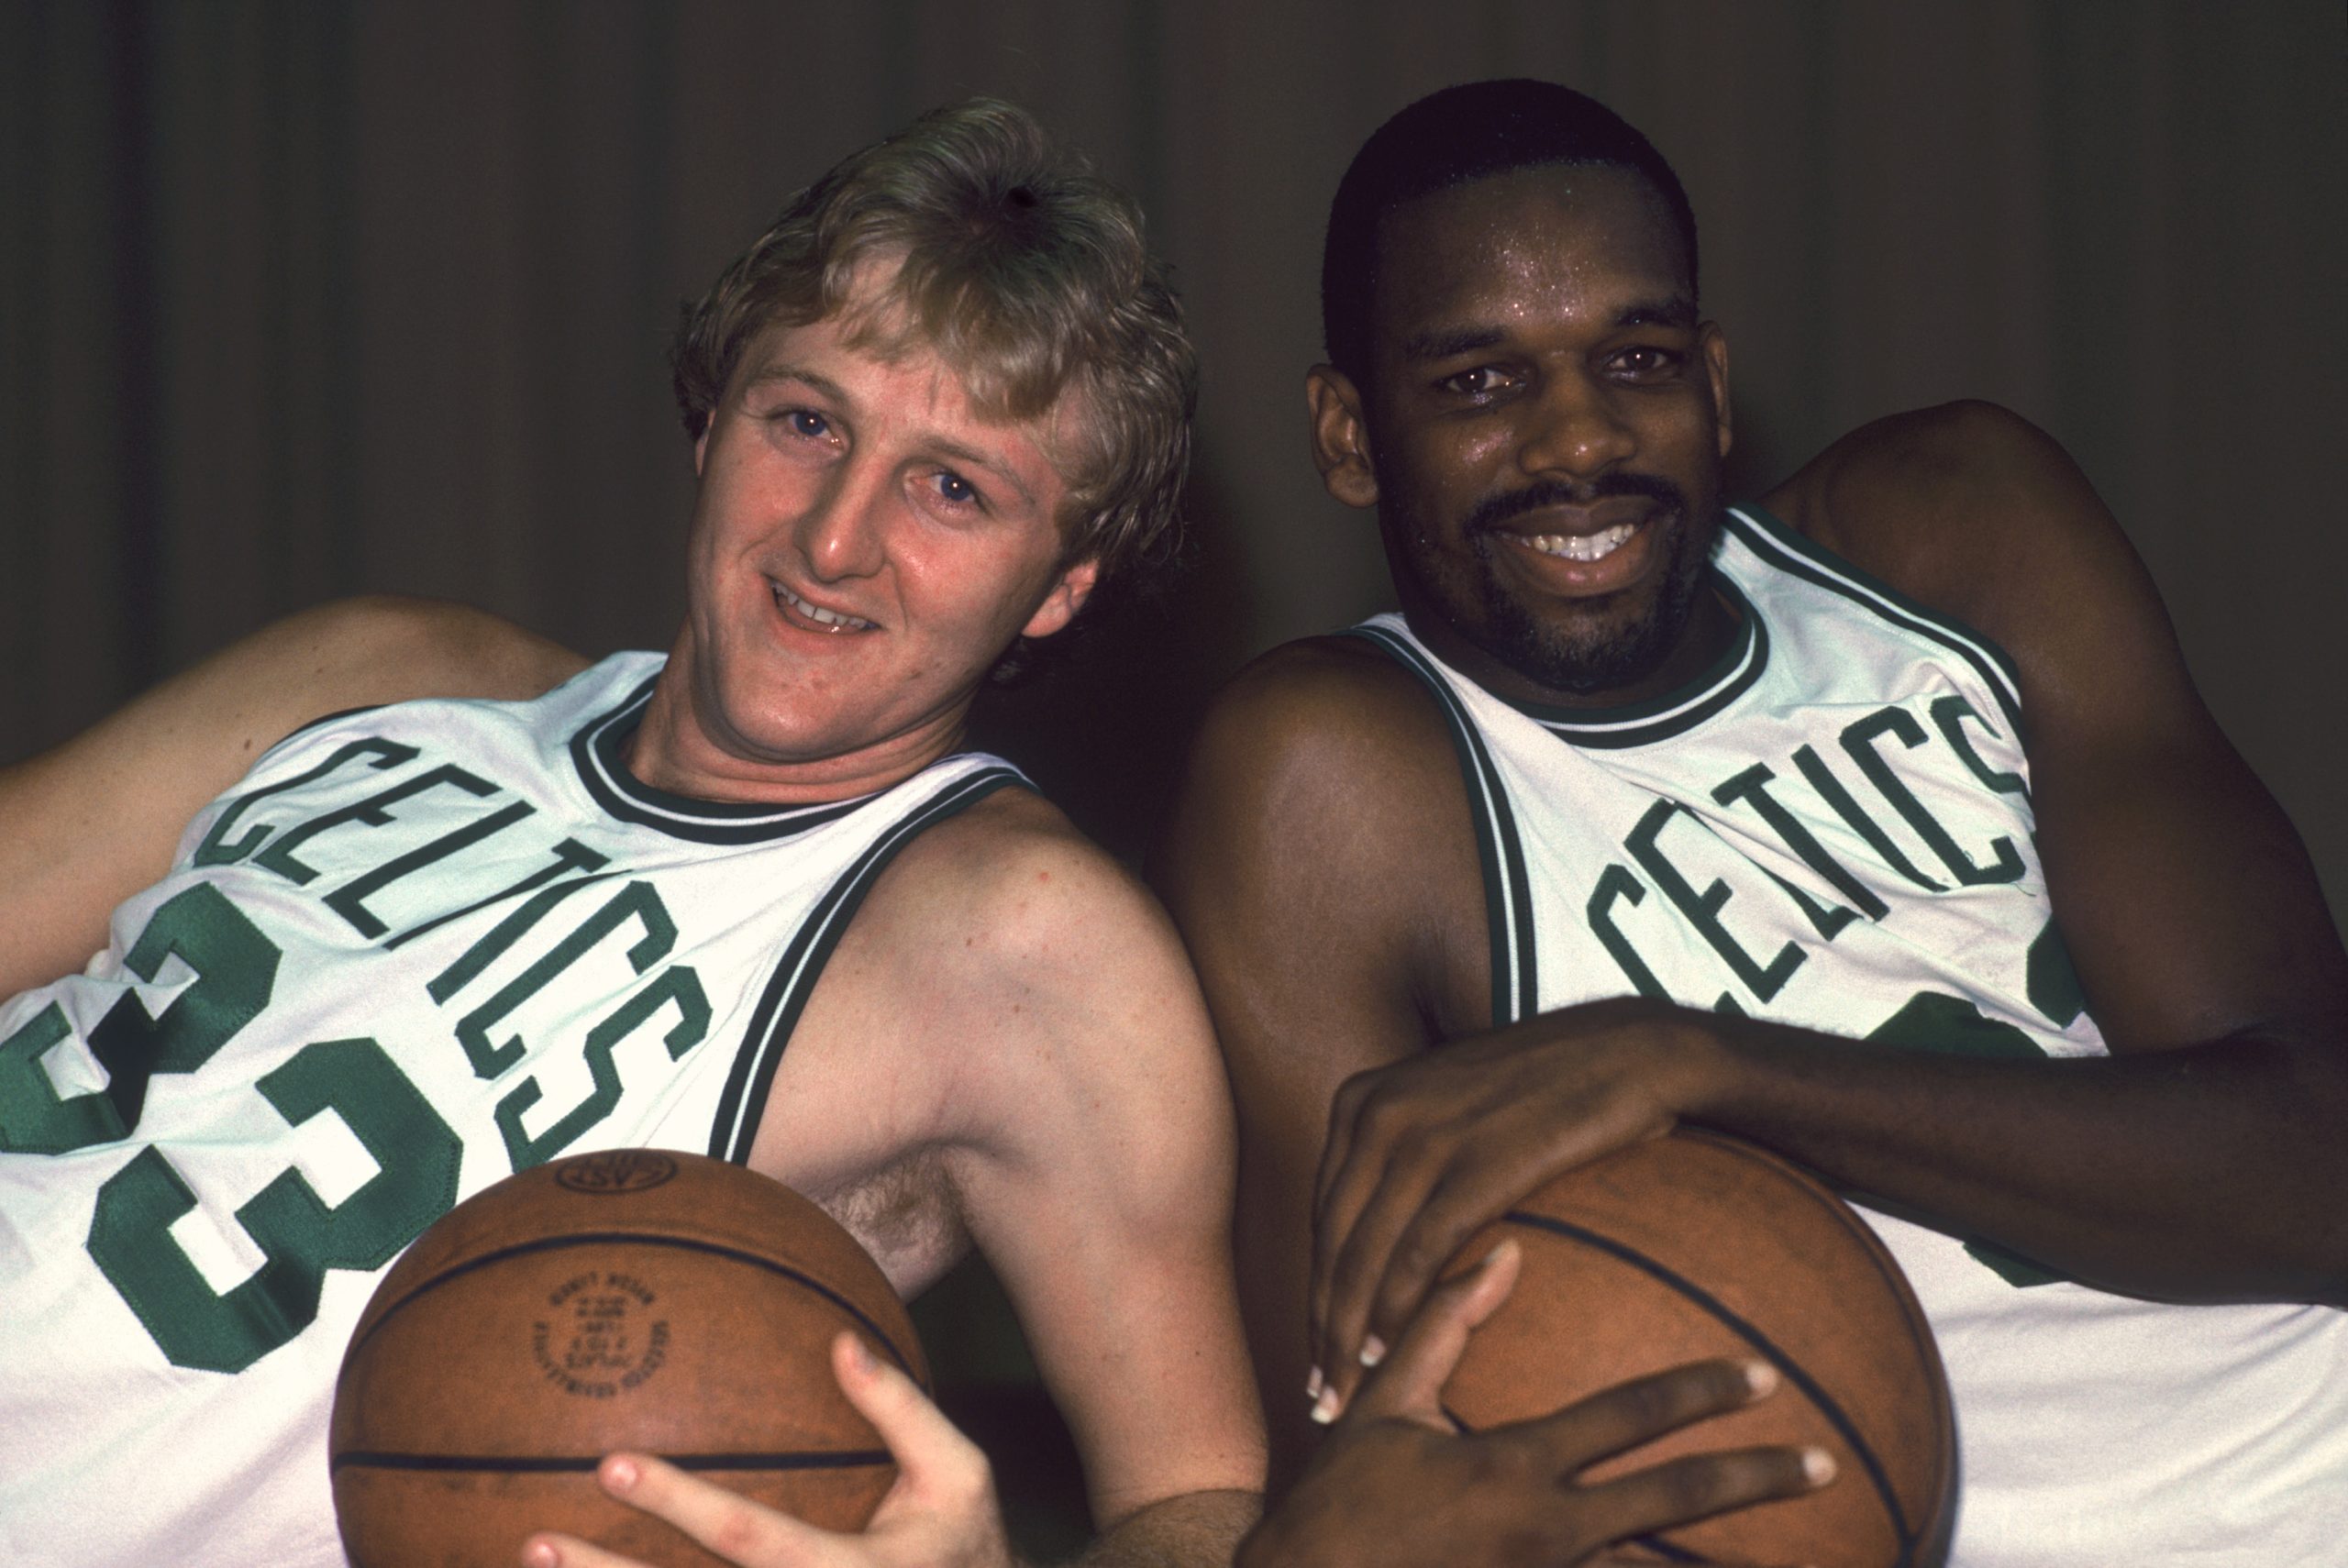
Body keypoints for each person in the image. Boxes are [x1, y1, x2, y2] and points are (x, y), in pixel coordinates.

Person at [0, 99, 1266, 1568]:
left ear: (1059, 586)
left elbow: (1202, 1504)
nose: (835, 538)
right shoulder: (378, 671)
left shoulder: (1020, 939)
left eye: (953, 489)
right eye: (807, 422)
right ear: (711, 417)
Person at [1153, 79, 2348, 1566]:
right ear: (1348, 436)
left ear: (1715, 384)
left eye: (1636, 358)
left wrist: (1704, 1062)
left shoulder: (1959, 531)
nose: (1579, 439)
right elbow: (1358, 1487)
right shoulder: (1336, 776)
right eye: (1478, 382)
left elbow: (2319, 1159)